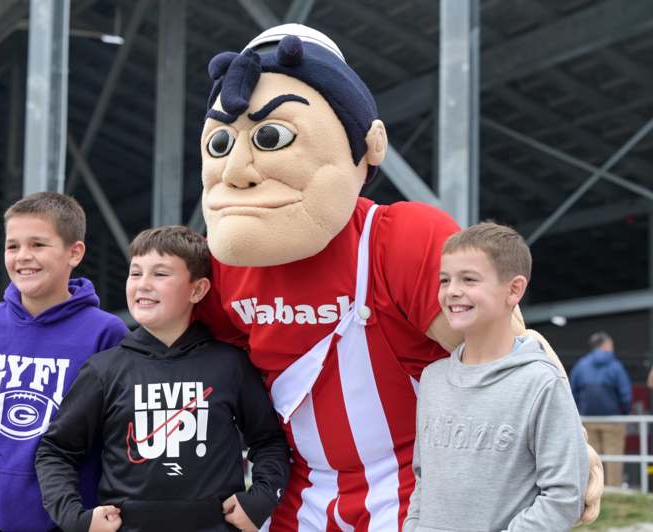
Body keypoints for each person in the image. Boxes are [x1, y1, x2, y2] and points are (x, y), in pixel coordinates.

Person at [195, 23, 602, 530]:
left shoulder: (400, 239)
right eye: (219, 145)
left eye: (272, 137)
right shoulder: (226, 269)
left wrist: (571, 446)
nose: (239, 169)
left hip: (417, 497)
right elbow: (205, 366)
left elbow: (505, 349)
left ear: (366, 146)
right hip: (296, 501)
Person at [35, 226, 290, 532]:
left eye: (160, 274)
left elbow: (269, 442)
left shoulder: (230, 364)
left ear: (198, 290)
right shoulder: (104, 370)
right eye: (135, 273)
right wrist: (76, 518)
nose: (143, 285)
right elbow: (55, 450)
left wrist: (260, 500)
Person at [0, 192, 129, 532]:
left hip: (68, 521)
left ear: (74, 252)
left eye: (38, 245)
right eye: (13, 246)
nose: (23, 257)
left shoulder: (107, 333)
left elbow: (117, 443)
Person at [404, 222, 588, 531]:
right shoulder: (433, 379)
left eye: (469, 279)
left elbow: (565, 496)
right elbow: (425, 480)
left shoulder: (540, 383)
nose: (453, 291)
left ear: (514, 289)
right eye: (445, 280)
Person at [570, 331, 632, 486]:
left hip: (588, 420)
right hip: (613, 420)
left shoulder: (580, 366)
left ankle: (593, 491)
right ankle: (614, 492)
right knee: (614, 457)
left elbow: (572, 392)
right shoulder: (616, 366)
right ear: (606, 345)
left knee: (592, 459)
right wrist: (624, 413)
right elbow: (625, 394)